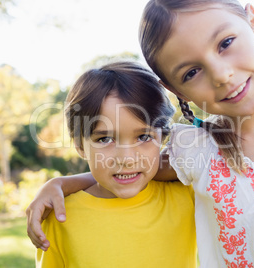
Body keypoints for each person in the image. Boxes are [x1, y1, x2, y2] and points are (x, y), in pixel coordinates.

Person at [27, 1, 254, 267]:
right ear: (176, 90)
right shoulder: (194, 152)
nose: (221, 74)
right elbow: (129, 166)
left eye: (226, 42)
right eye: (191, 72)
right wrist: (60, 184)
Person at [35, 61, 197, 267]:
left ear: (163, 137)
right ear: (80, 146)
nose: (127, 159)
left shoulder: (188, 195)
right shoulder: (60, 217)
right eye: (104, 139)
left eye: (144, 136)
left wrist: (63, 183)